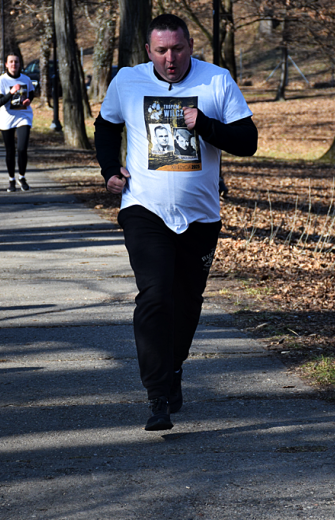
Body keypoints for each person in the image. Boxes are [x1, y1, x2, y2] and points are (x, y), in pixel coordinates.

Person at [94, 14, 257, 431]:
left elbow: (248, 141)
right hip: (143, 209)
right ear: (148, 51)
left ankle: (175, 368)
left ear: (190, 47)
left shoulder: (215, 81)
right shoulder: (127, 82)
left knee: (186, 302)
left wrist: (204, 125)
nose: (170, 58)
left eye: (178, 49)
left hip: (201, 217)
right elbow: (106, 126)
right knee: (155, 294)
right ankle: (157, 395)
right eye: (162, 50)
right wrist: (110, 169)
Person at [0, 53, 34, 192]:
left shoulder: (26, 79)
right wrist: (11, 93)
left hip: (23, 116)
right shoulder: (2, 80)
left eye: (16, 62)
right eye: (11, 62)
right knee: (10, 150)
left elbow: (31, 94)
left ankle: (22, 177)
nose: (13, 64)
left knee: (22, 149)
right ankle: (11, 179)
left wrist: (29, 100)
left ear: (20, 64)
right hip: (7, 118)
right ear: (6, 64)